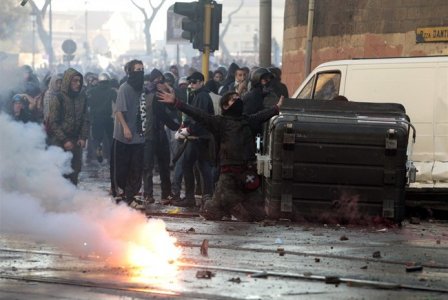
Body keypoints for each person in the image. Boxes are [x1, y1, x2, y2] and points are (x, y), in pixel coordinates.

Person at [157, 89, 284, 221]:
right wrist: (176, 103)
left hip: (247, 173)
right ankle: (217, 204)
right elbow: (199, 114)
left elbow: (261, 116)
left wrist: (276, 108)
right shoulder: (220, 122)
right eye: (234, 99)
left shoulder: (247, 120)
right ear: (225, 106)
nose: (238, 100)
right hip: (228, 175)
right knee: (219, 209)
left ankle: (225, 207)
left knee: (259, 214)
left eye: (238, 98)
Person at [172, 71, 215, 207]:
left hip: (198, 137)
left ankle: (192, 197)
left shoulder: (202, 96)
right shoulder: (198, 95)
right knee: (203, 167)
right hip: (200, 136)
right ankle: (207, 196)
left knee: (188, 165)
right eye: (191, 82)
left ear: (201, 82)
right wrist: (185, 127)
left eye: (194, 82)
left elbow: (200, 117)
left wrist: (189, 130)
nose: (192, 85)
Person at [110, 59, 145, 208]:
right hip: (123, 137)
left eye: (142, 69)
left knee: (136, 168)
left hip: (139, 136)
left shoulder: (143, 88)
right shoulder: (124, 88)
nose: (141, 72)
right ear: (130, 72)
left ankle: (131, 196)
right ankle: (120, 194)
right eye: (137, 69)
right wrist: (125, 128)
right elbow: (118, 111)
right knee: (121, 169)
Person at [142, 69, 179, 205]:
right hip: (151, 134)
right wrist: (175, 127)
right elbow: (162, 114)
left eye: (162, 80)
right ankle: (152, 194)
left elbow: (172, 108)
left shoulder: (158, 94)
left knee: (161, 166)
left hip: (157, 134)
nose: (161, 83)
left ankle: (161, 194)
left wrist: (170, 91)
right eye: (159, 80)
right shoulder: (151, 94)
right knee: (150, 166)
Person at [47, 68, 90, 186]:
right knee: (61, 171)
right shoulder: (58, 98)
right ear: (67, 82)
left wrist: (83, 137)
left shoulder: (82, 97)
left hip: (76, 140)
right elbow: (53, 122)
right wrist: (64, 140)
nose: (78, 84)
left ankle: (73, 198)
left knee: (75, 170)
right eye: (74, 81)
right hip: (60, 140)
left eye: (79, 81)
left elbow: (85, 119)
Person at [87, 72, 116, 163]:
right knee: (110, 138)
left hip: (96, 118)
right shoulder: (111, 91)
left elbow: (88, 104)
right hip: (108, 118)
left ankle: (99, 147)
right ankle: (111, 156)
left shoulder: (91, 91)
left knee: (96, 138)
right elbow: (117, 102)